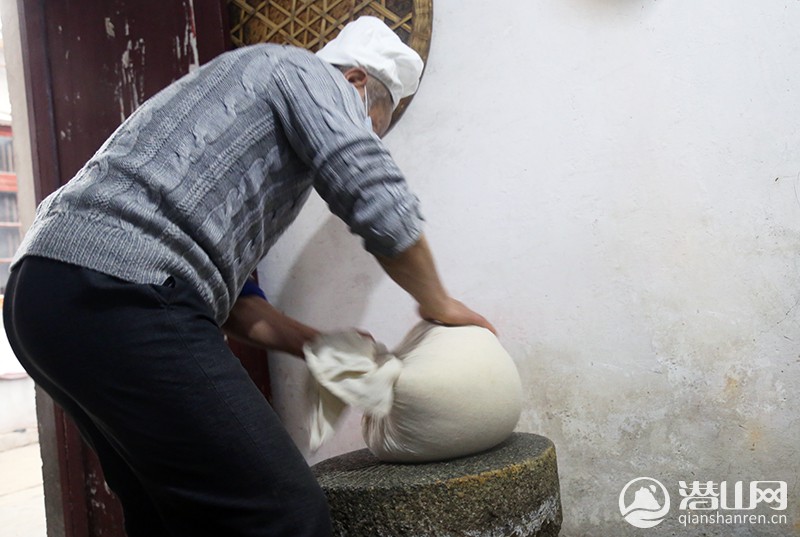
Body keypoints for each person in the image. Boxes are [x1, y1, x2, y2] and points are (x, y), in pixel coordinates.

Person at [3, 16, 494, 537]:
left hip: (44, 293)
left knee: (167, 516)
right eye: (374, 122)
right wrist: (437, 302)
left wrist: (318, 346)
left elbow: (232, 303)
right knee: (283, 513)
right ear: (355, 80)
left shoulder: (243, 94)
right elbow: (372, 190)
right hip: (119, 290)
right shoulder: (306, 73)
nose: (367, 134)